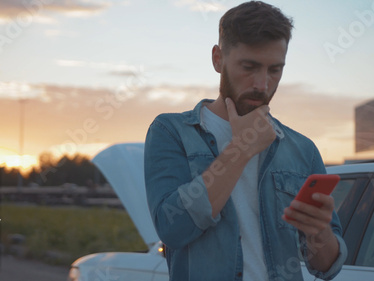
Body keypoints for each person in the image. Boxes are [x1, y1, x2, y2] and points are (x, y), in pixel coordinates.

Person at [144, 1, 347, 280]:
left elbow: (326, 267)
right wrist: (241, 149)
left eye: (275, 70)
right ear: (218, 59)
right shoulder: (171, 131)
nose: (262, 84)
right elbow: (172, 228)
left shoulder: (302, 149)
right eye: (249, 67)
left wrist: (319, 232)